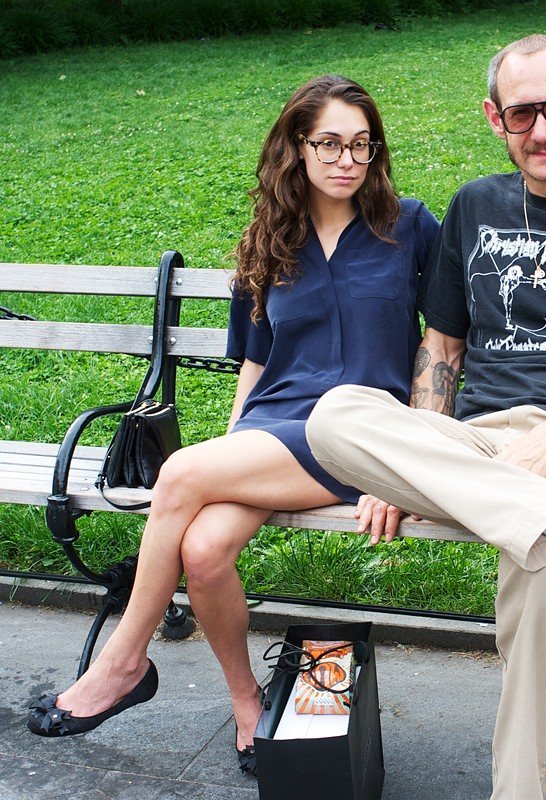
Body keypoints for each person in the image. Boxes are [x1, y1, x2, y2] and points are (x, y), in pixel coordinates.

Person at [305, 36, 546, 800]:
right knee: (335, 416)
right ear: (495, 118)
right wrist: (408, 458)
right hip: (480, 440)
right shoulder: (474, 206)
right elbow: (443, 346)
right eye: (523, 114)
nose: (542, 131)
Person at [27, 75, 440, 778]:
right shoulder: (270, 238)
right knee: (205, 549)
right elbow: (255, 363)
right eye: (330, 144)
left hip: (361, 436)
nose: (347, 160)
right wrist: (233, 452)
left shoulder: (410, 227)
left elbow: (445, 344)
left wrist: (409, 464)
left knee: (181, 472)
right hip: (273, 433)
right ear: (297, 147)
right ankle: (247, 704)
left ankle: (123, 662)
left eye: (362, 145)